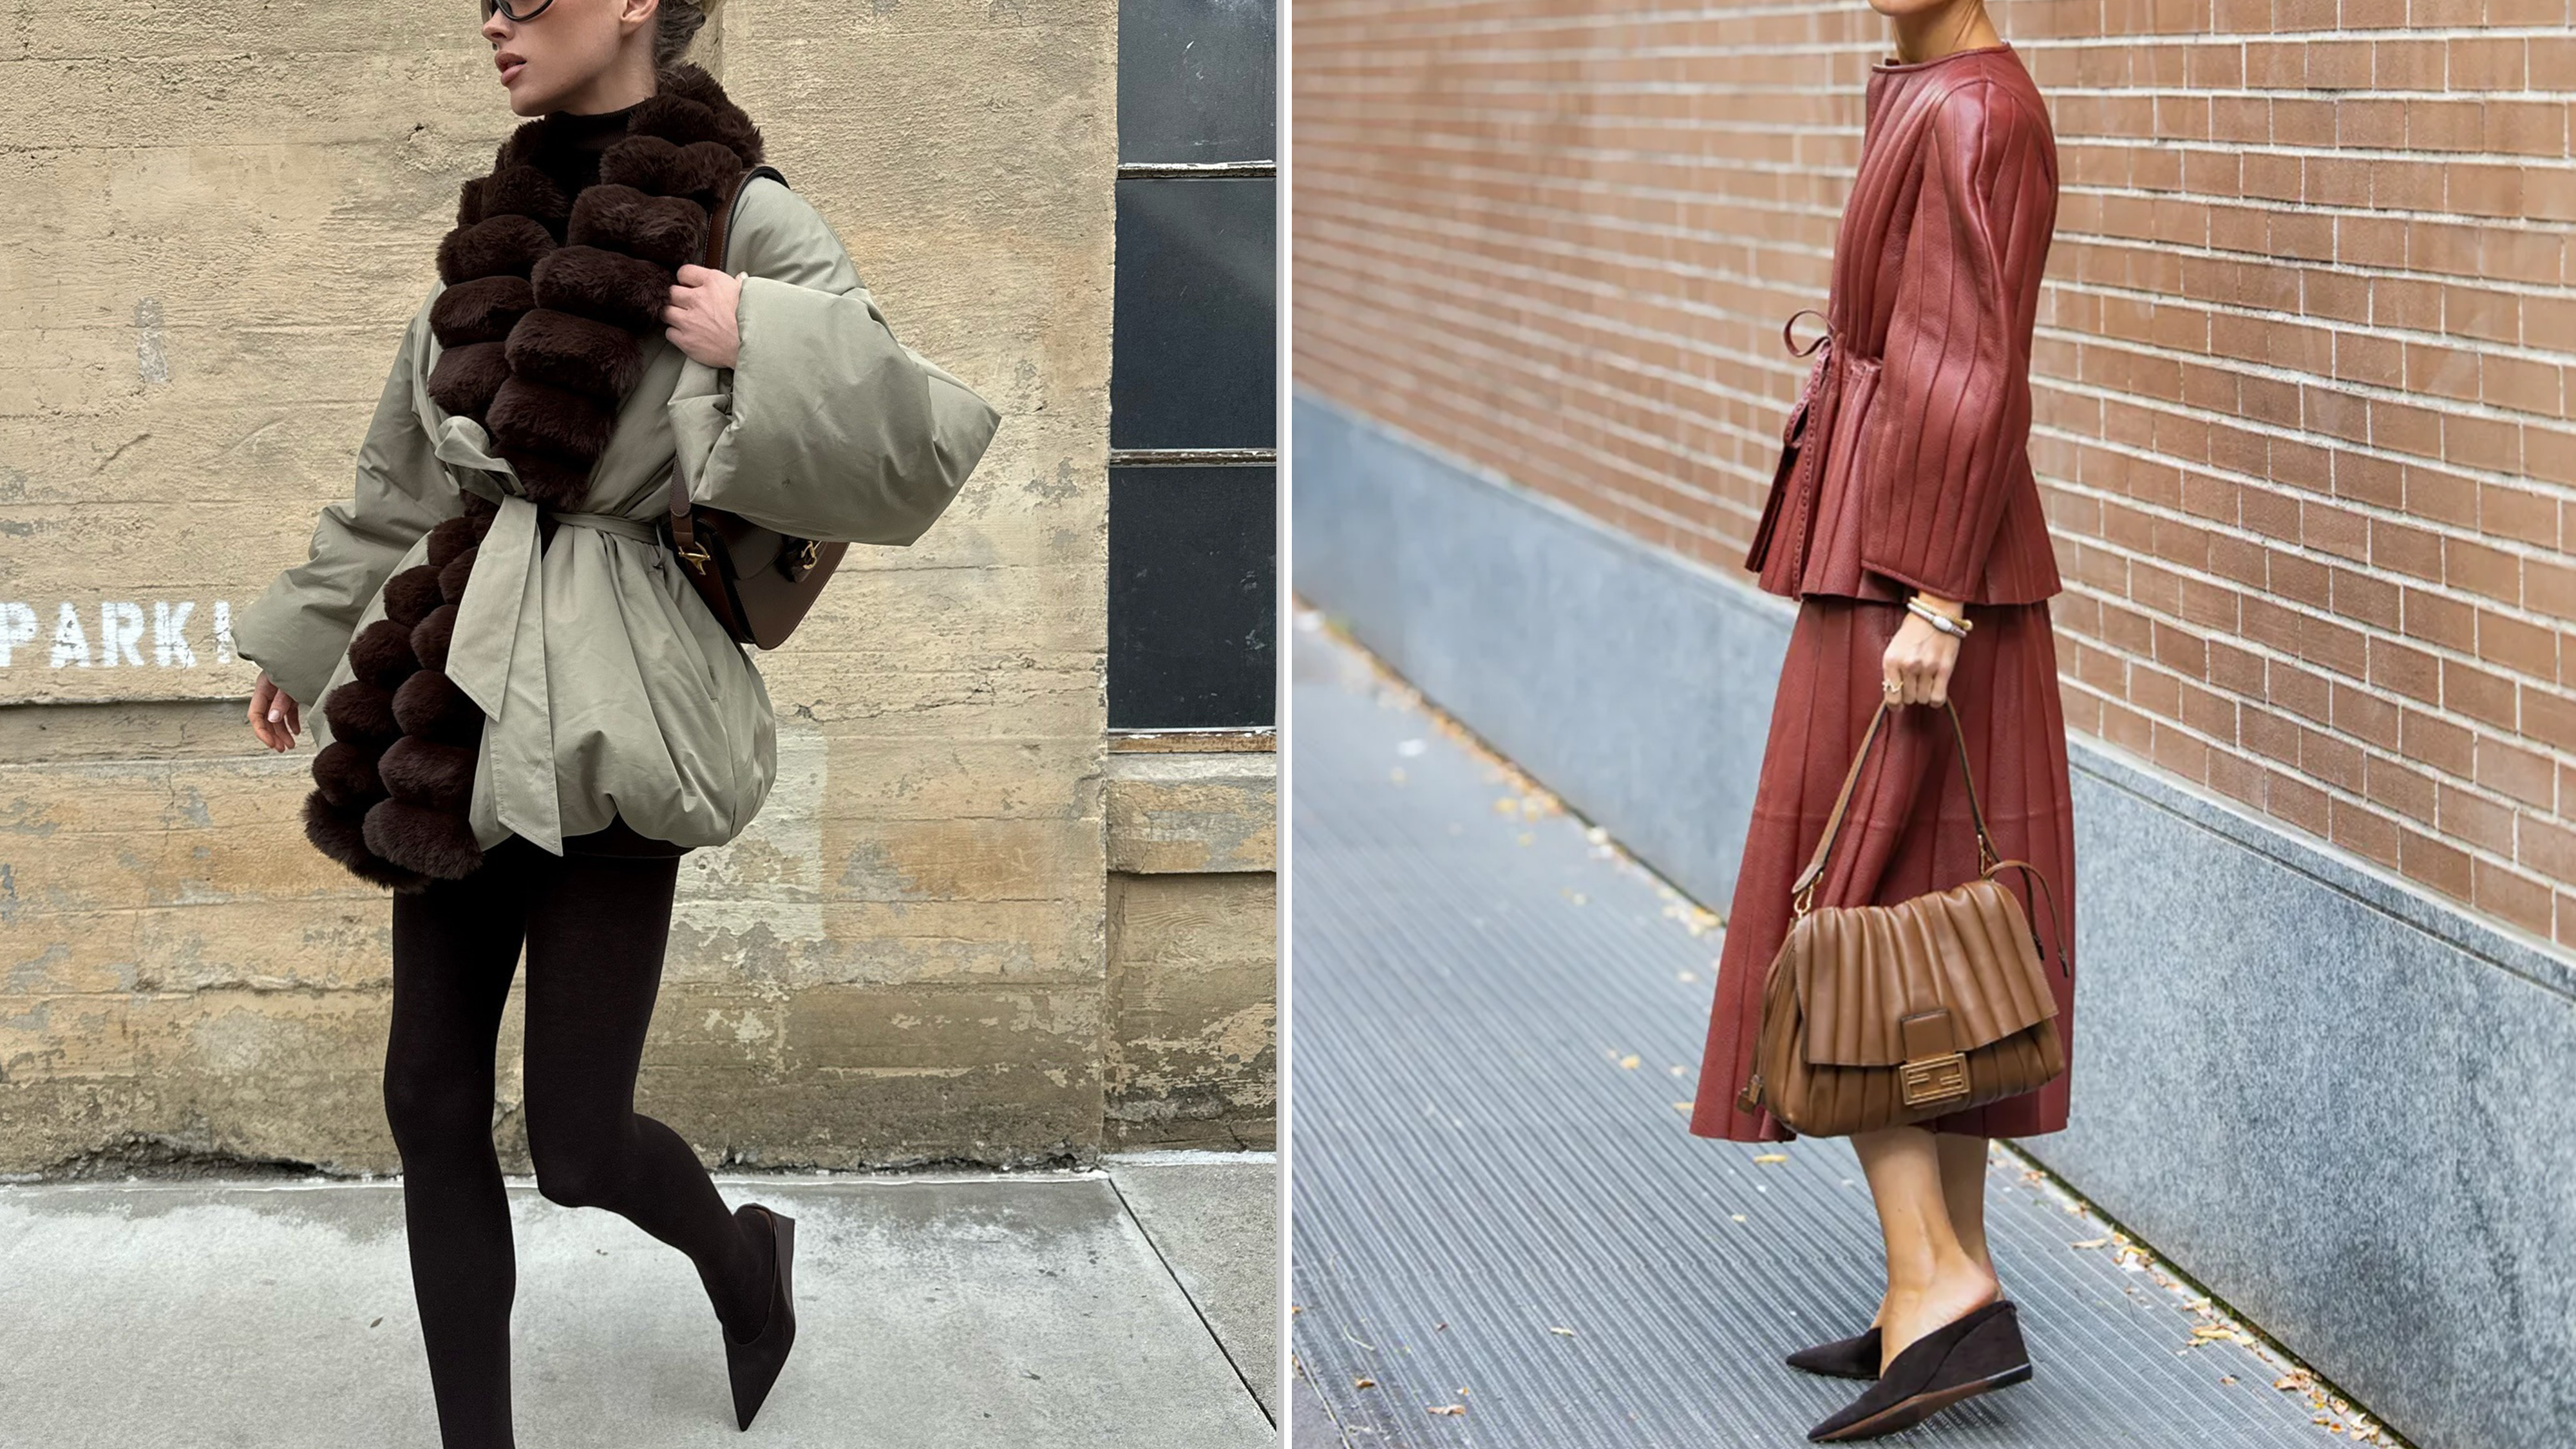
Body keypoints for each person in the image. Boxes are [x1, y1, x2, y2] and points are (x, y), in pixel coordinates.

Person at [232, 1, 1002, 1443]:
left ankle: (744, 1264)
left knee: (579, 1144)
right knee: (427, 1102)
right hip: (459, 696)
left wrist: (758, 333)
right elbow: (399, 462)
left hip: (623, 706)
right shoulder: (499, 221)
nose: (495, 22)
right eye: (484, 2)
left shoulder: (745, 213)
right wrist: (304, 624)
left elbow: (910, 443)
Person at [1685, 1, 2068, 1441]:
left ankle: (1939, 1288)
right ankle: (1940, 1274)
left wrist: (1934, 601)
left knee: (1851, 925)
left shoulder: (1975, 110)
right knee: (1924, 916)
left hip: (1907, 572)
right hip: (1901, 554)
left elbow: (1970, 369)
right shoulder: (1932, 88)